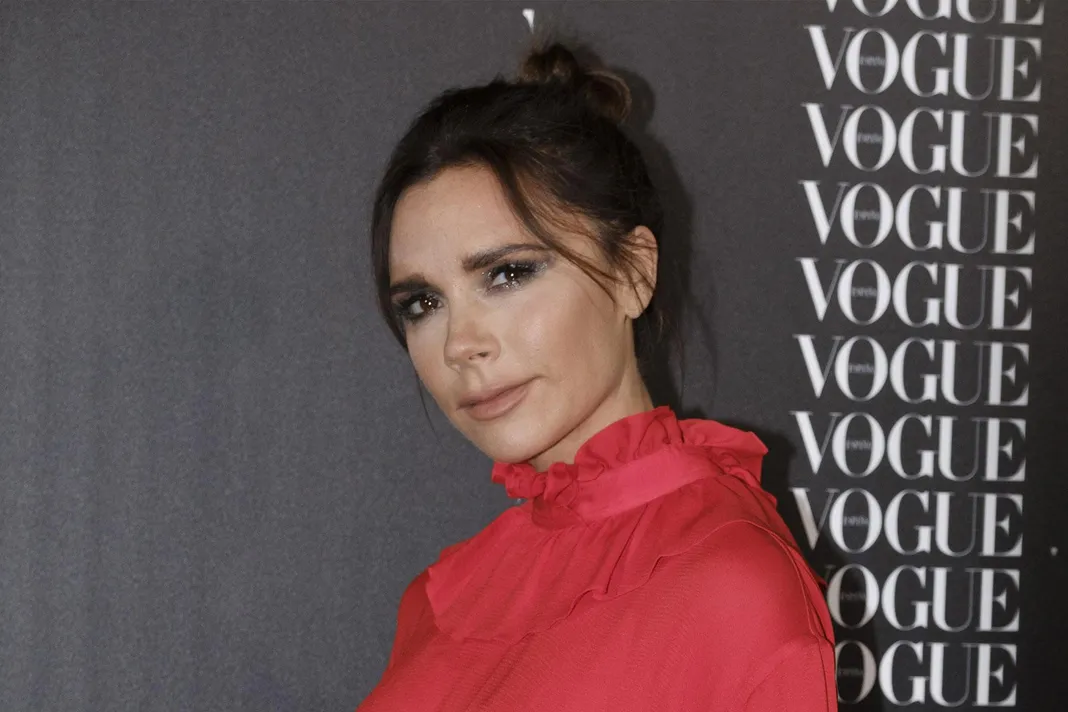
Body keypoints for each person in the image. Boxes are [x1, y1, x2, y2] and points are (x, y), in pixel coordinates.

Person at [356, 37, 837, 712]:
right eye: (422, 304)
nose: (460, 343)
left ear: (633, 273)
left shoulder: (730, 584)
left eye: (508, 274)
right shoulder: (435, 603)